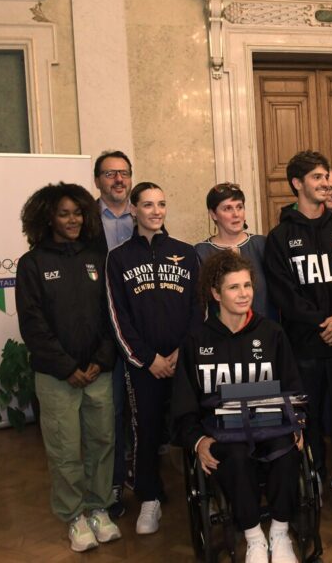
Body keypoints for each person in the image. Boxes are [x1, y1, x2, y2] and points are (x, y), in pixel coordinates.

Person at [172, 250, 304, 563]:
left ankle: (280, 534)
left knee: (287, 446)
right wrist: (198, 441)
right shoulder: (196, 340)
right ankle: (254, 537)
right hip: (223, 434)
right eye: (234, 287)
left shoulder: (271, 333)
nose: (244, 294)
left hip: (271, 425)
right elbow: (183, 404)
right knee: (233, 455)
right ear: (216, 293)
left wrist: (298, 421)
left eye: (247, 285)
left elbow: (293, 387)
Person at [15, 183, 120, 552]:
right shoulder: (32, 264)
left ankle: (99, 508)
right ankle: (74, 515)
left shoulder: (98, 256)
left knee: (102, 442)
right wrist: (67, 367)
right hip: (57, 376)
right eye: (64, 213)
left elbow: (112, 313)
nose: (73, 219)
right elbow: (32, 324)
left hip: (99, 371)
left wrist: (100, 360)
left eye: (77, 212)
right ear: (48, 217)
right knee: (65, 449)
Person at [263, 150, 332, 484]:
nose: (326, 184)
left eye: (326, 177)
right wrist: (319, 323)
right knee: (307, 414)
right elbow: (284, 293)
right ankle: (314, 473)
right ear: (297, 183)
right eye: (317, 178)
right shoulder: (280, 237)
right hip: (305, 344)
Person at [106, 182, 202, 535]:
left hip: (182, 361)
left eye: (161, 204)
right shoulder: (117, 258)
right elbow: (118, 316)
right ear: (133, 209)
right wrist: (148, 359)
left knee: (192, 424)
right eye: (148, 205)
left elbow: (198, 307)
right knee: (145, 430)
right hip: (143, 366)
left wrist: (181, 353)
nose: (156, 211)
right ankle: (149, 498)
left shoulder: (186, 252)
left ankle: (204, 492)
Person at [92, 150, 134, 518]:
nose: (118, 180)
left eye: (123, 173)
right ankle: (113, 484)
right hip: (103, 332)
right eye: (110, 174)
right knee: (112, 413)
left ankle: (143, 477)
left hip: (139, 331)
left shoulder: (145, 215)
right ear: (98, 181)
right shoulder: (84, 221)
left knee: (141, 410)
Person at [195, 182, 274, 319]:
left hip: (265, 332)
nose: (236, 214)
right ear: (213, 214)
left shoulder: (262, 244)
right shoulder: (201, 252)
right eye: (227, 209)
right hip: (222, 335)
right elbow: (199, 303)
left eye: (239, 207)